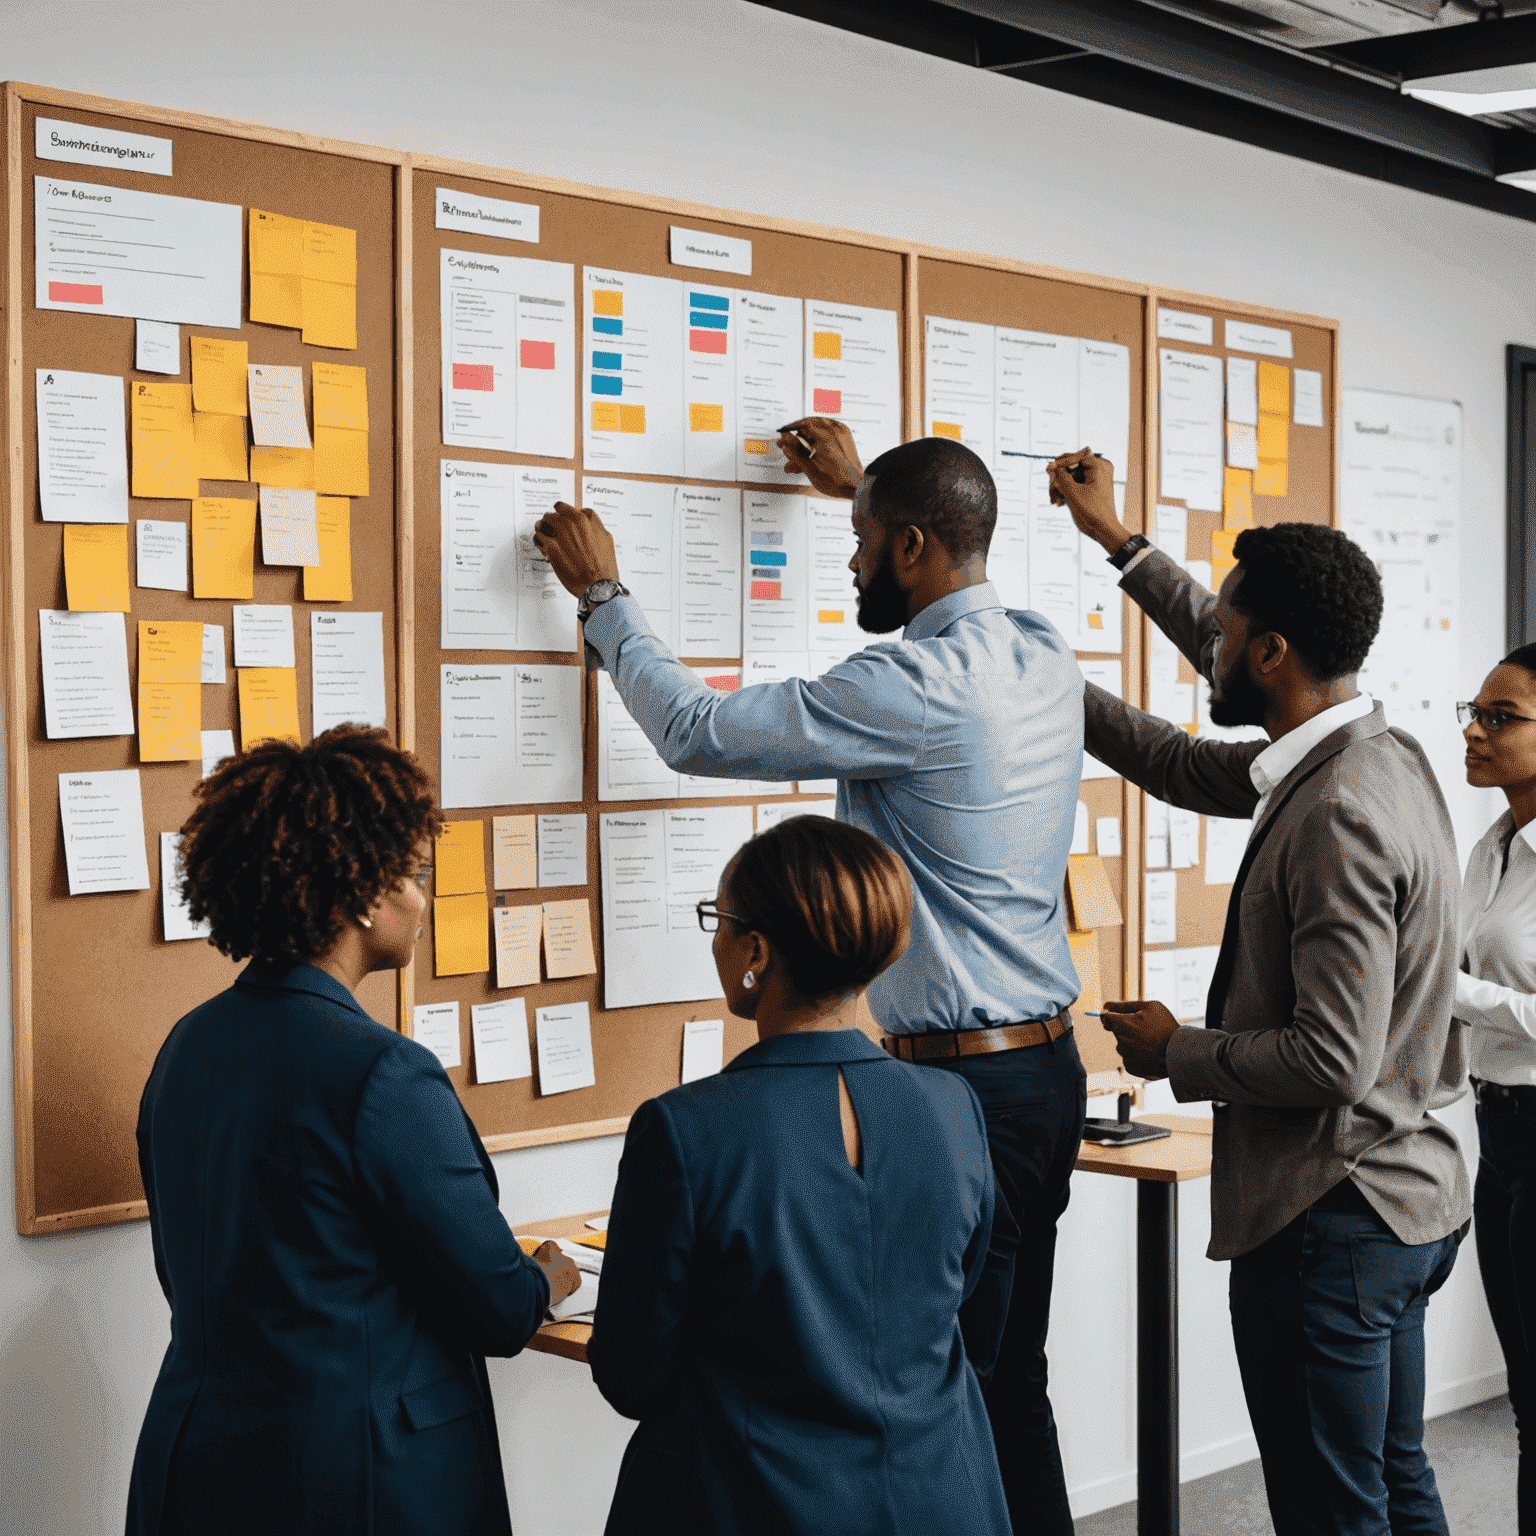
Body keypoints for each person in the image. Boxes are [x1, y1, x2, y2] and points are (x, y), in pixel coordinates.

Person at [536, 420, 1086, 1534]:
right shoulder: (1038, 648)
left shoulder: (916, 685)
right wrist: (866, 486)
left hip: (955, 1083)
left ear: (916, 548)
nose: (848, 558)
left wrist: (604, 599)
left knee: (928, 1387)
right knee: (996, 1386)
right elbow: (953, 537)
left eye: (862, 537)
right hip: (1043, 1072)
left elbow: (694, 731)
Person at [1049, 450, 1470, 1536]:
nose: (1213, 651)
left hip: (1336, 1217)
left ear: (1272, 651)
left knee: (1332, 1510)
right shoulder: (1376, 753)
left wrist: (1173, 1051)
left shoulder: (1334, 814)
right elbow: (1186, 754)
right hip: (1402, 1199)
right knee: (1392, 1484)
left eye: (1229, 636)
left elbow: (1332, 1060)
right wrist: (1118, 553)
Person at [126, 726, 580, 1536]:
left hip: (196, 1468)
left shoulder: (186, 1047)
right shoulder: (384, 1073)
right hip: (355, 1484)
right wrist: (549, 1275)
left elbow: (205, 1275)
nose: (424, 898)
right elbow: (499, 1311)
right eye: (416, 875)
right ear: (366, 894)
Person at [588, 816, 1008, 1535]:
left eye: (718, 922)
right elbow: (960, 1299)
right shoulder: (953, 1106)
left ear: (755, 949)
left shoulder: (685, 1130)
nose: (715, 939)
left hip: (750, 1500)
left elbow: (631, 1372)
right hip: (939, 1493)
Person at [1455, 650, 1536, 1535]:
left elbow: (1464, 986)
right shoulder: (1493, 844)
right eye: (1473, 711)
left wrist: (1451, 990)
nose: (1476, 730)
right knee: (1526, 1400)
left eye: (1502, 716)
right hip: (1499, 1137)